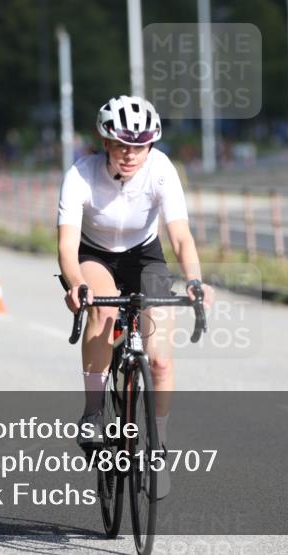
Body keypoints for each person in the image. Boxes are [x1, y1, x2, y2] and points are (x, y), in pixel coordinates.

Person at [57, 95, 214, 498]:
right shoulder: (80, 175)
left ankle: (158, 448)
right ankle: (93, 412)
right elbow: (67, 246)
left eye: (140, 145)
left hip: (145, 256)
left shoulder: (161, 170)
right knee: (103, 311)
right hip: (94, 257)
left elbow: (179, 235)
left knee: (160, 358)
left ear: (151, 145)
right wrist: (77, 284)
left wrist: (194, 281)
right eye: (123, 144)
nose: (131, 154)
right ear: (105, 142)